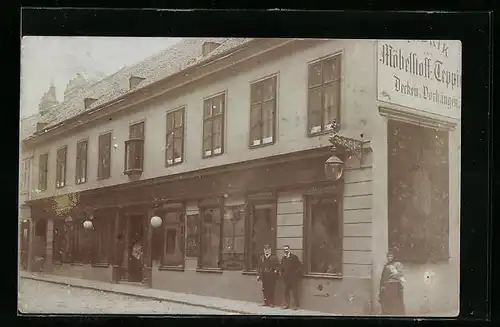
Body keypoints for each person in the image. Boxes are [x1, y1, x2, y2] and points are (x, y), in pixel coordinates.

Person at [379, 248, 406, 315]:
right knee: (387, 304)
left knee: (396, 305)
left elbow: (400, 275)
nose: (389, 258)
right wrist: (382, 286)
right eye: (388, 256)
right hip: (387, 287)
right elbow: (383, 277)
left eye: (391, 256)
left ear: (394, 256)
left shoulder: (398, 264)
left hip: (395, 287)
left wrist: (394, 275)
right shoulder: (386, 265)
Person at [280, 245, 302, 309]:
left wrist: (295, 274)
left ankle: (296, 305)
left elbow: (299, 266)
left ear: (289, 249)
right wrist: (281, 272)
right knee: (286, 292)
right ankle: (287, 305)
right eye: (284, 249)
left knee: (294, 292)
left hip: (293, 278)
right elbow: (282, 267)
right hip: (286, 279)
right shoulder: (283, 258)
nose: (285, 250)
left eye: (286, 249)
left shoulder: (294, 257)